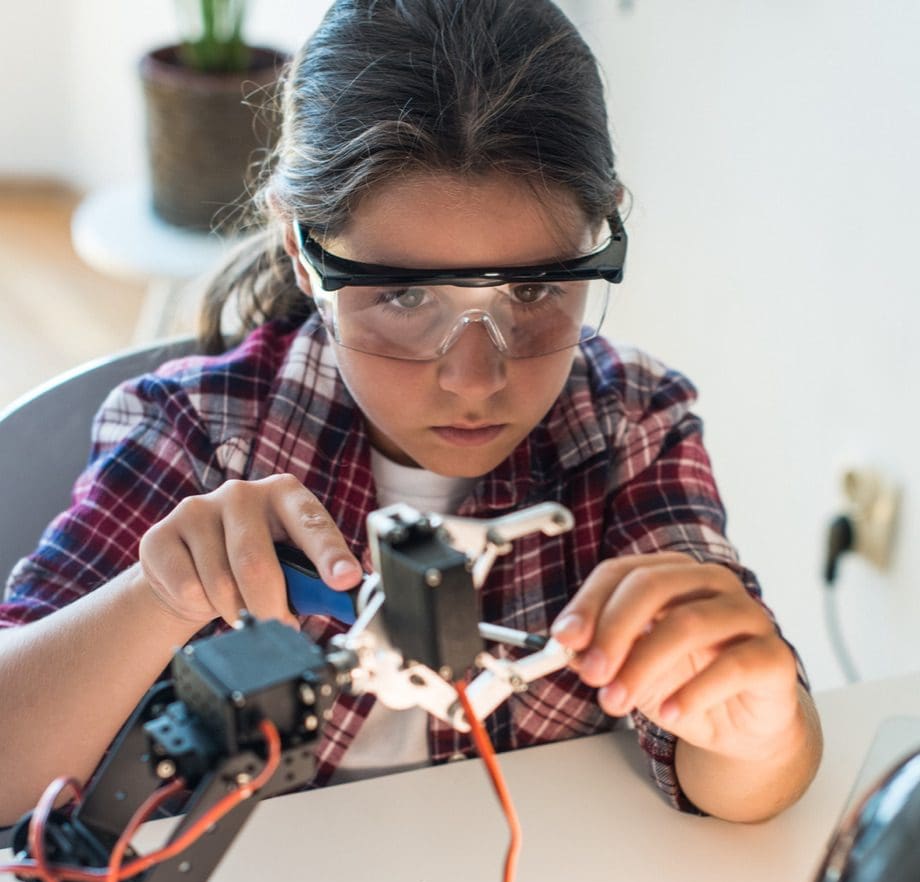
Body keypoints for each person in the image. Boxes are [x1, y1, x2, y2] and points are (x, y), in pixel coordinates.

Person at [0, 0, 821, 828]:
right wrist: (158, 595)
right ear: (301, 249)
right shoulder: (201, 430)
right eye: (402, 295)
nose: (472, 378)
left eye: (533, 289)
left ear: (599, 231)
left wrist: (757, 729)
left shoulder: (631, 426)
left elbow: (749, 777)